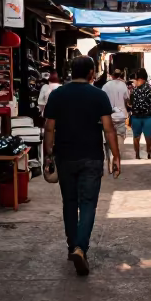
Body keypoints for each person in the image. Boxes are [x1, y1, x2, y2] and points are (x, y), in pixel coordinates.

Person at [43, 54, 120, 276]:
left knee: (69, 202)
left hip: (65, 156)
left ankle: (72, 247)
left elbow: (49, 128)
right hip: (92, 157)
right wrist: (115, 156)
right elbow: (108, 129)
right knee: (87, 203)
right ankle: (80, 247)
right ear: (90, 73)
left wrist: (49, 154)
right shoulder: (98, 95)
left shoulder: (57, 95)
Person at [102, 66, 130, 173]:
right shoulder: (123, 85)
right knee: (119, 138)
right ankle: (116, 159)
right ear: (121, 75)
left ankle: (108, 161)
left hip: (108, 116)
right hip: (121, 116)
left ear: (112, 75)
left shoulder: (106, 86)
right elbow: (127, 99)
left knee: (107, 140)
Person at [128, 68, 151, 159]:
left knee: (136, 136)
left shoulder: (134, 90)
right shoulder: (150, 88)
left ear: (138, 77)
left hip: (136, 116)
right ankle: (148, 154)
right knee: (148, 136)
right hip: (148, 116)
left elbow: (131, 102)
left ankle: (137, 155)